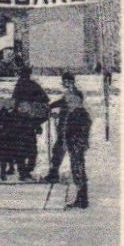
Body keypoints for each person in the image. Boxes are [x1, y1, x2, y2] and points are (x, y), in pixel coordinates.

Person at [55, 73, 91, 209]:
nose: (68, 103)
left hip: (77, 143)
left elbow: (79, 131)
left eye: (70, 102)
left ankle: (82, 199)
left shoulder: (80, 114)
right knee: (76, 168)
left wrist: (78, 143)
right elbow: (60, 103)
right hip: (74, 143)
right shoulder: (74, 110)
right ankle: (81, 198)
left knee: (78, 168)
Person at [11, 64, 51, 181]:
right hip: (28, 123)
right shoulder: (33, 85)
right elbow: (45, 101)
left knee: (23, 148)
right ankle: (26, 171)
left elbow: (14, 104)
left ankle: (24, 172)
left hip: (22, 123)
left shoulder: (19, 86)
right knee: (30, 148)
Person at [46, 71, 83, 184]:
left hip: (69, 127)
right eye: (64, 81)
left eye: (65, 81)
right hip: (67, 125)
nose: (64, 83)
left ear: (70, 81)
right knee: (61, 150)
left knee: (61, 150)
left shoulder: (74, 94)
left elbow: (66, 104)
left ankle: (55, 174)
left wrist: (51, 106)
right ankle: (58, 173)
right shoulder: (72, 93)